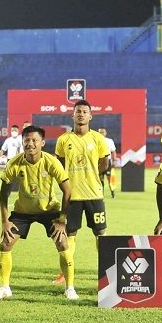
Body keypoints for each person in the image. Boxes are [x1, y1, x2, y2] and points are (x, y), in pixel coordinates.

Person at [0, 125, 76, 300]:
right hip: (23, 212)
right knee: (5, 243)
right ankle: (4, 288)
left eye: (34, 140)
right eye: (27, 140)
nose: (30, 144)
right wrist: (4, 221)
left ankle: (70, 288)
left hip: (49, 210)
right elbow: (3, 193)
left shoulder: (51, 162)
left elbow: (67, 191)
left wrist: (62, 219)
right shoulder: (14, 163)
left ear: (42, 143)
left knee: (62, 242)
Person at [53, 100, 109, 285]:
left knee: (100, 233)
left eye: (85, 111)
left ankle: (105, 271)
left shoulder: (98, 139)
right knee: (69, 234)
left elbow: (104, 163)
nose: (81, 114)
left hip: (94, 194)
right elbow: (59, 164)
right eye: (78, 111)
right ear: (73, 115)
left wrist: (92, 175)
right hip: (72, 196)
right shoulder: (63, 140)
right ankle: (65, 272)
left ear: (90, 116)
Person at [98, 127, 118, 198]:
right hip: (99, 161)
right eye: (100, 132)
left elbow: (113, 151)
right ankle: (101, 194)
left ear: (105, 133)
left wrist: (114, 160)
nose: (101, 133)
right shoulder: (96, 140)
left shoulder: (109, 141)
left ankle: (112, 193)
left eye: (103, 132)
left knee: (110, 178)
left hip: (108, 161)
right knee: (100, 179)